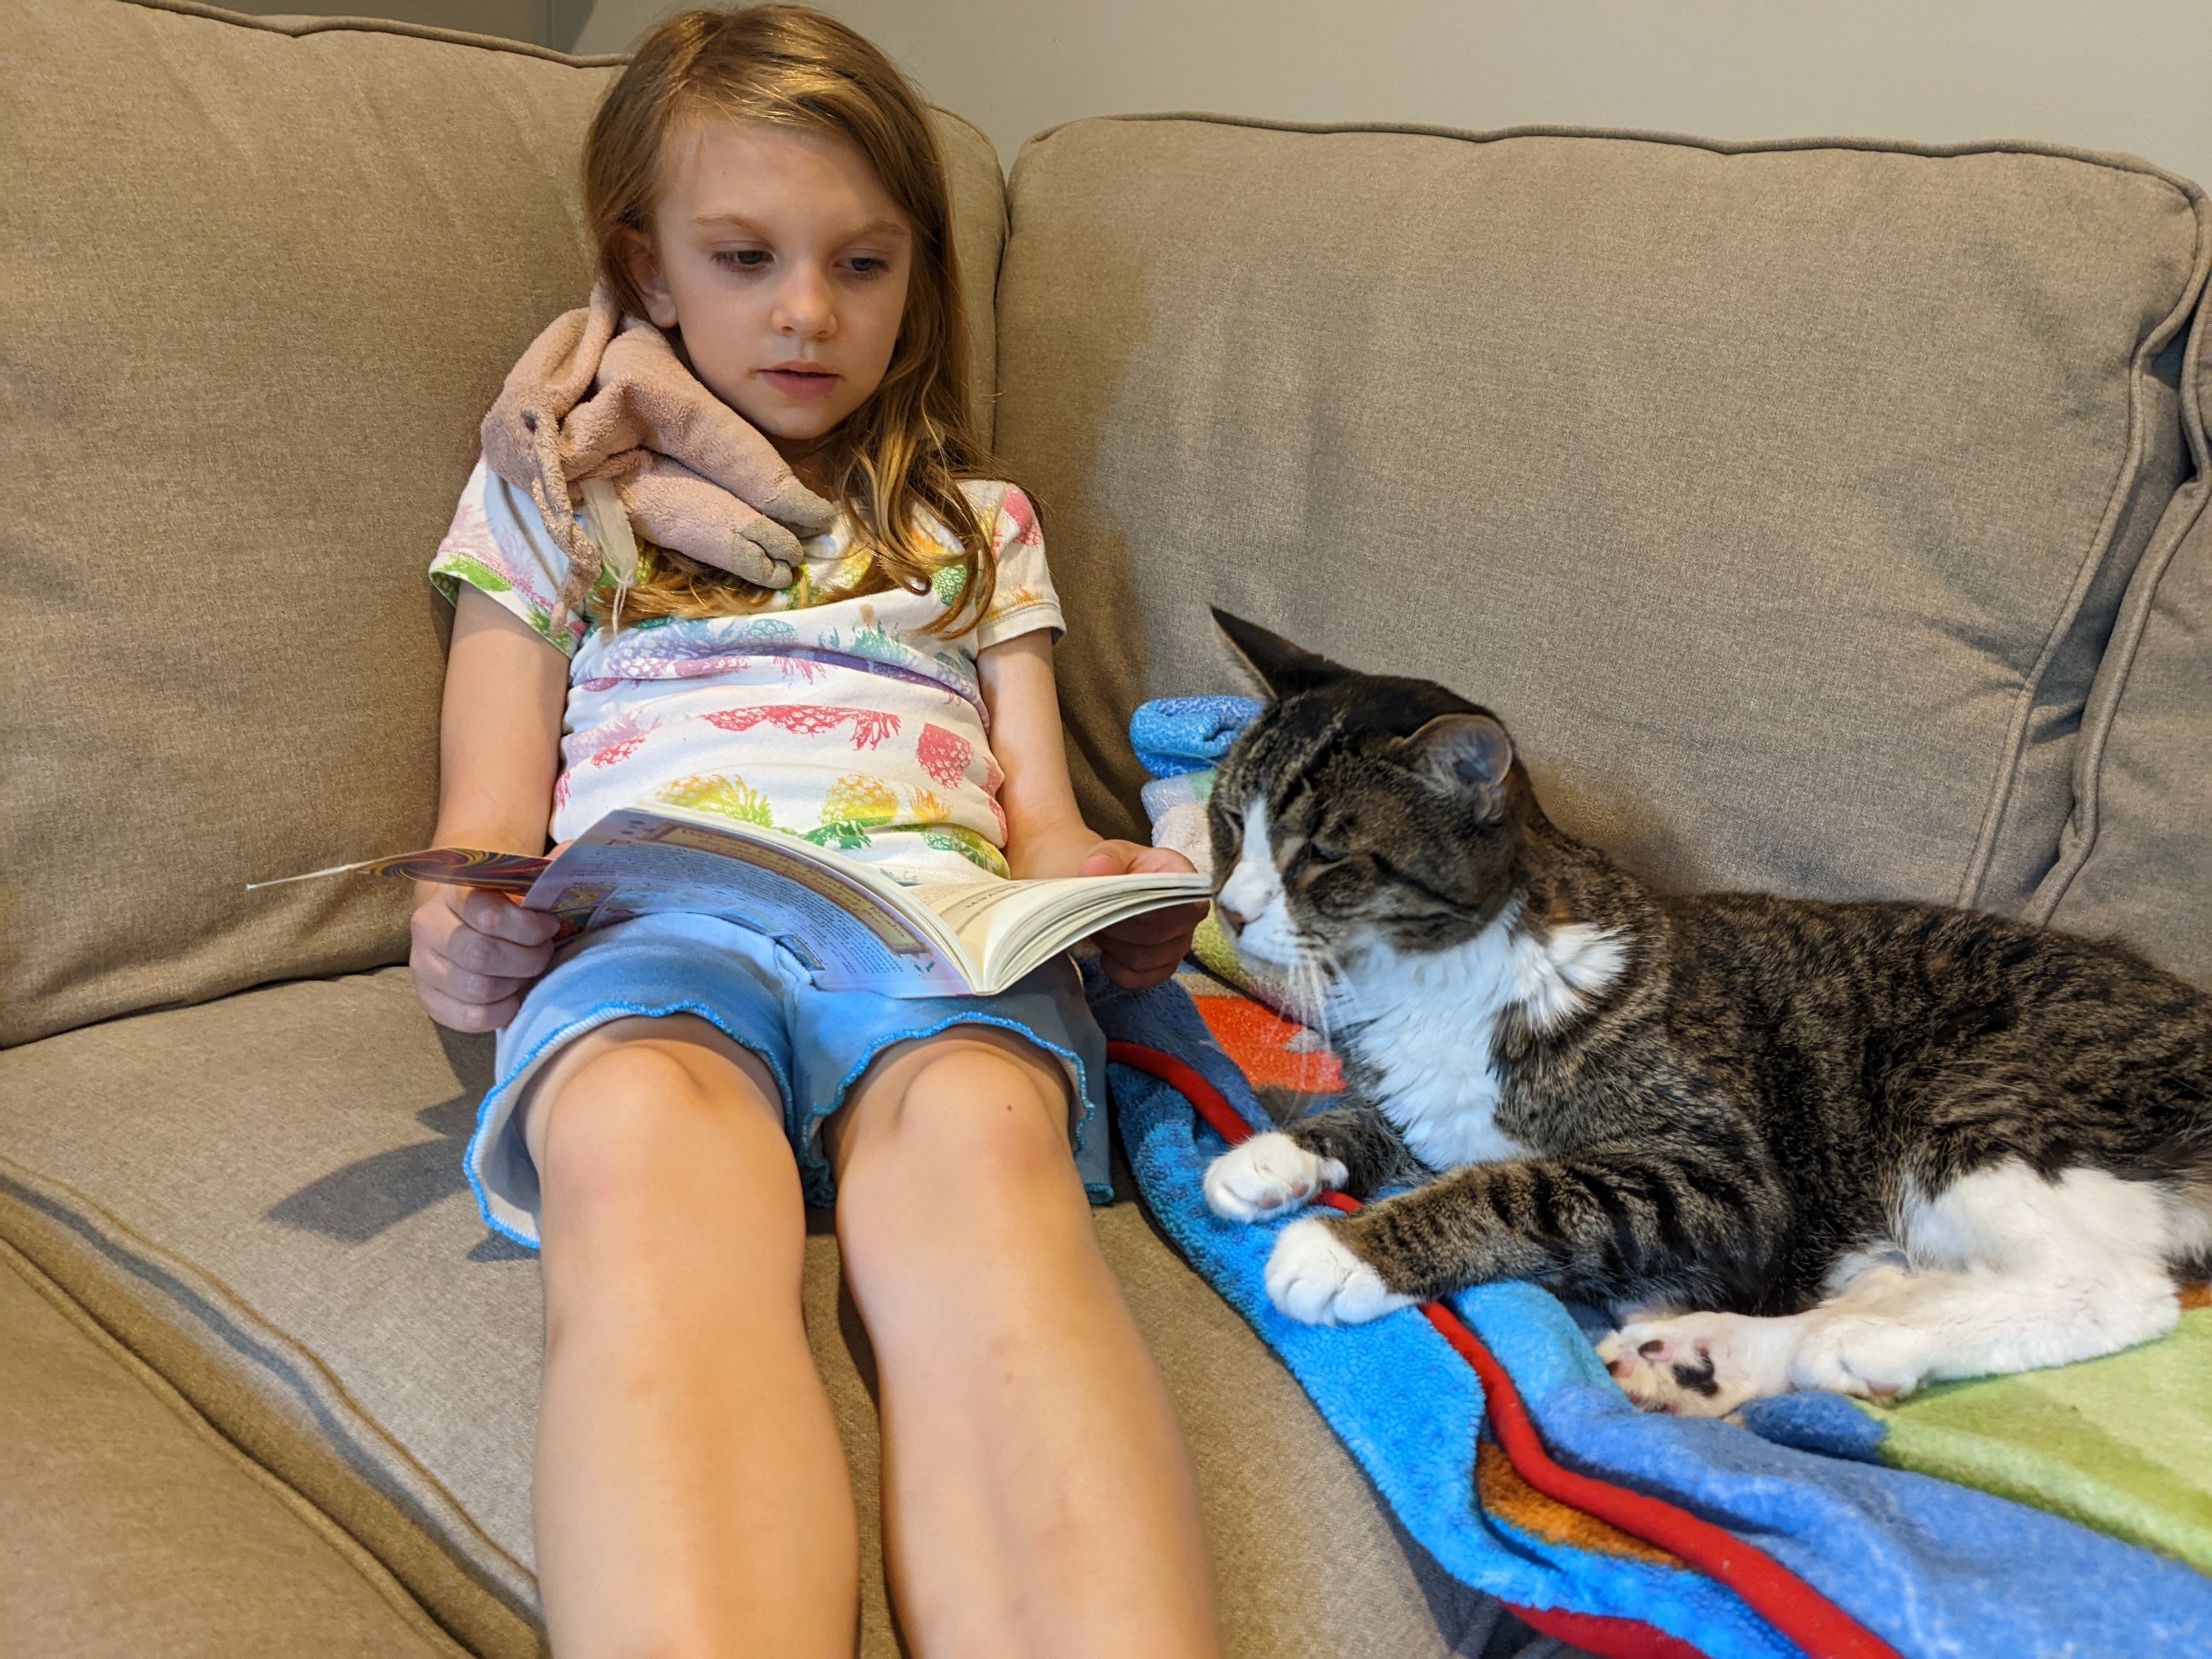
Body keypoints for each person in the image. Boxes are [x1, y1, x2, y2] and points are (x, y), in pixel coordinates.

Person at [411, 8, 1220, 1654]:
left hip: (929, 943)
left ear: (918, 273)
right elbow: (479, 834)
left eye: (863, 263)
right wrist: (463, 939)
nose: (808, 310)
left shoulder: (972, 524)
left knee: (983, 1156)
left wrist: (1114, 898)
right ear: (644, 267)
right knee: (637, 1140)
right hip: (655, 941)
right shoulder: (547, 499)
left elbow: (1044, 822)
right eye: (745, 256)